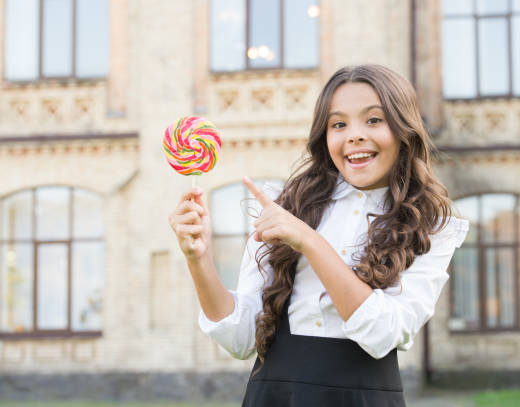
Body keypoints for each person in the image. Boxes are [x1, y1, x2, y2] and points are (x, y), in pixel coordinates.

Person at [168, 64, 469, 406]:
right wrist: (198, 258)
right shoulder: (291, 207)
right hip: (275, 396)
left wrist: (309, 242)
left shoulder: (432, 225)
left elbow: (384, 332)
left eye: (373, 120)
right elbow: (240, 339)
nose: (353, 135)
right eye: (338, 124)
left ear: (404, 130)